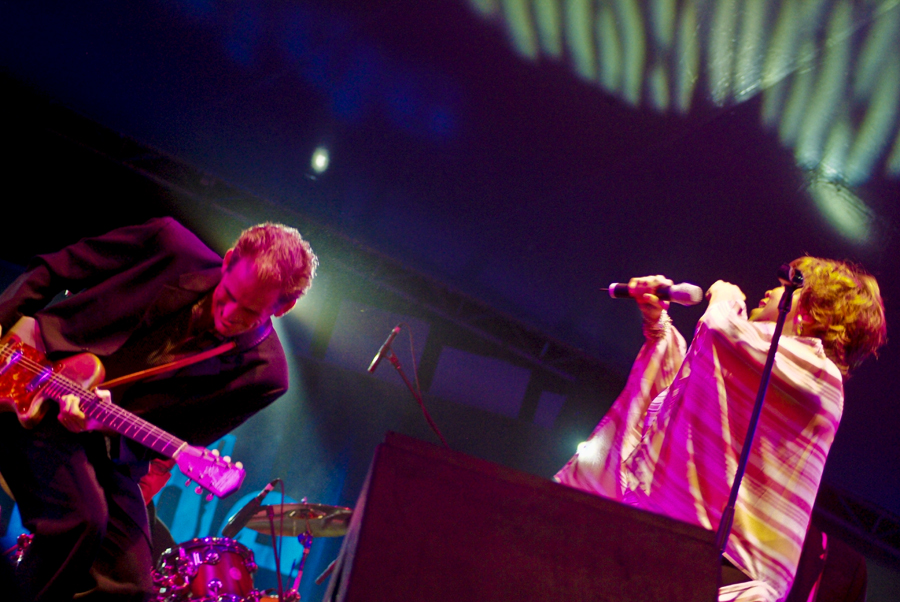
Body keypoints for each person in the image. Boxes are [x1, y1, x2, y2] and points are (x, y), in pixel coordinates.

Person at [0, 217, 317, 601]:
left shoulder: (264, 376)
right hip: (27, 369)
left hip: (103, 442)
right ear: (229, 260)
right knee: (81, 520)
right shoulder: (168, 244)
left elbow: (165, 441)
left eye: (250, 312)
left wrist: (99, 426)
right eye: (228, 294)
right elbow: (58, 268)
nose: (230, 314)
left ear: (284, 308)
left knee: (132, 586)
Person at [554, 257, 886, 602]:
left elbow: (720, 333)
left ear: (812, 308)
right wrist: (657, 322)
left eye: (786, 288)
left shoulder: (819, 379)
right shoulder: (744, 362)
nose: (770, 291)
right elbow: (676, 401)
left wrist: (726, 298)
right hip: (656, 554)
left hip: (727, 582)